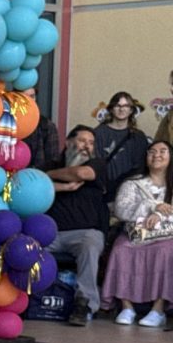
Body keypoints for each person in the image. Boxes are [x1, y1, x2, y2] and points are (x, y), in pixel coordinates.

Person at [101, 140, 173, 328]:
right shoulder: (133, 183)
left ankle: (158, 309)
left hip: (167, 236)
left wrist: (159, 214)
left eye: (162, 151)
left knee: (166, 251)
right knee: (120, 248)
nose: (156, 155)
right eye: (152, 151)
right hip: (136, 235)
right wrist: (152, 206)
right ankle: (127, 307)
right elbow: (121, 211)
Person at [44, 126, 110, 326]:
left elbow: (82, 172)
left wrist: (50, 176)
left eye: (91, 143)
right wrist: (63, 186)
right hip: (50, 234)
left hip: (85, 233)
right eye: (82, 141)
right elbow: (29, 182)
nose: (87, 147)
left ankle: (84, 303)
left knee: (90, 245)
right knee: (25, 246)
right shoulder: (50, 164)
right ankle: (27, 298)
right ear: (68, 142)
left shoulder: (97, 164)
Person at [93, 91, 150, 203]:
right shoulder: (98, 133)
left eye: (125, 106)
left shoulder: (138, 136)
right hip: (103, 190)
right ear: (111, 109)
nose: (121, 109)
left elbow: (140, 167)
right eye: (117, 105)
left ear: (131, 110)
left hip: (129, 190)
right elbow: (95, 163)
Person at [21, 87, 61, 172]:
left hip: (38, 178)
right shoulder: (7, 123)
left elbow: (53, 161)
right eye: (24, 97)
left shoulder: (46, 126)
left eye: (32, 96)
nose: (29, 101)